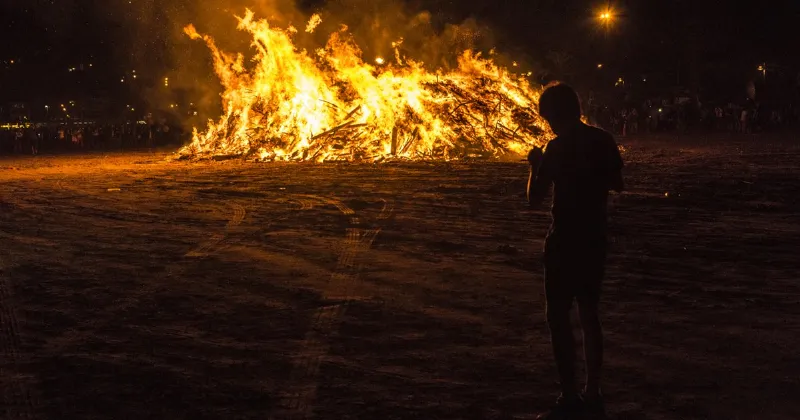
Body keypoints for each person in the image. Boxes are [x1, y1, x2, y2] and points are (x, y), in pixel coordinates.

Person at [527, 83, 624, 420]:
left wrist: (535, 165)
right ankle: (592, 391)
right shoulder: (603, 140)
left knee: (558, 317)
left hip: (564, 239)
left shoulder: (556, 148)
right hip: (595, 237)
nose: (549, 125)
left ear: (557, 114)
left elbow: (534, 198)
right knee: (589, 314)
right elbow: (617, 184)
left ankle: (569, 395)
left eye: (549, 118)